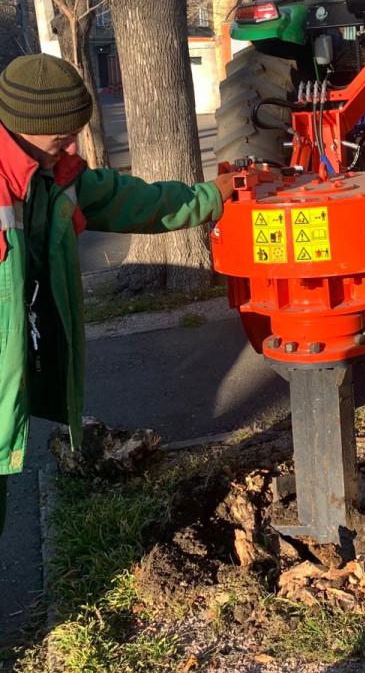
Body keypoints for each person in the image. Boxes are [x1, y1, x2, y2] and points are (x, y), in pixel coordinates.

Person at [0, 53, 235, 533]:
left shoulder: (56, 177)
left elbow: (135, 202)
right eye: (61, 135)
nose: (71, 144)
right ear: (21, 126)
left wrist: (210, 197)